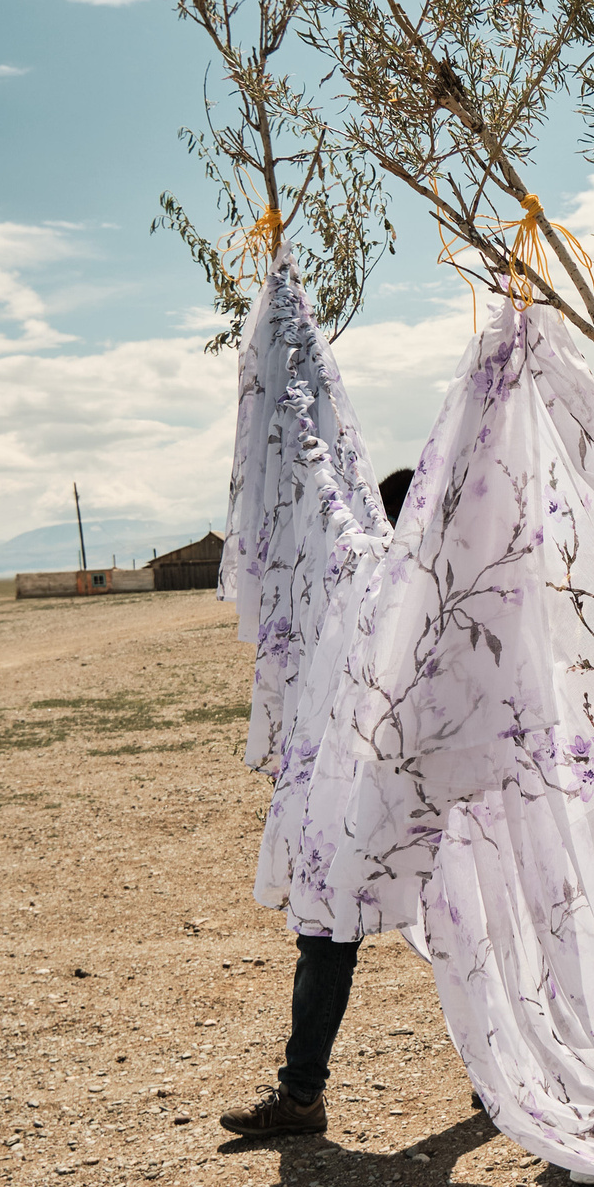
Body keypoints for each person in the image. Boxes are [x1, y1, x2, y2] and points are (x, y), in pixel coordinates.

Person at [220, 464, 423, 1140]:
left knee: (466, 929)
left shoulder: (435, 592)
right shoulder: (369, 587)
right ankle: (302, 1092)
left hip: (417, 799)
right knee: (327, 933)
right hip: (366, 796)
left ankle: (508, 1081)